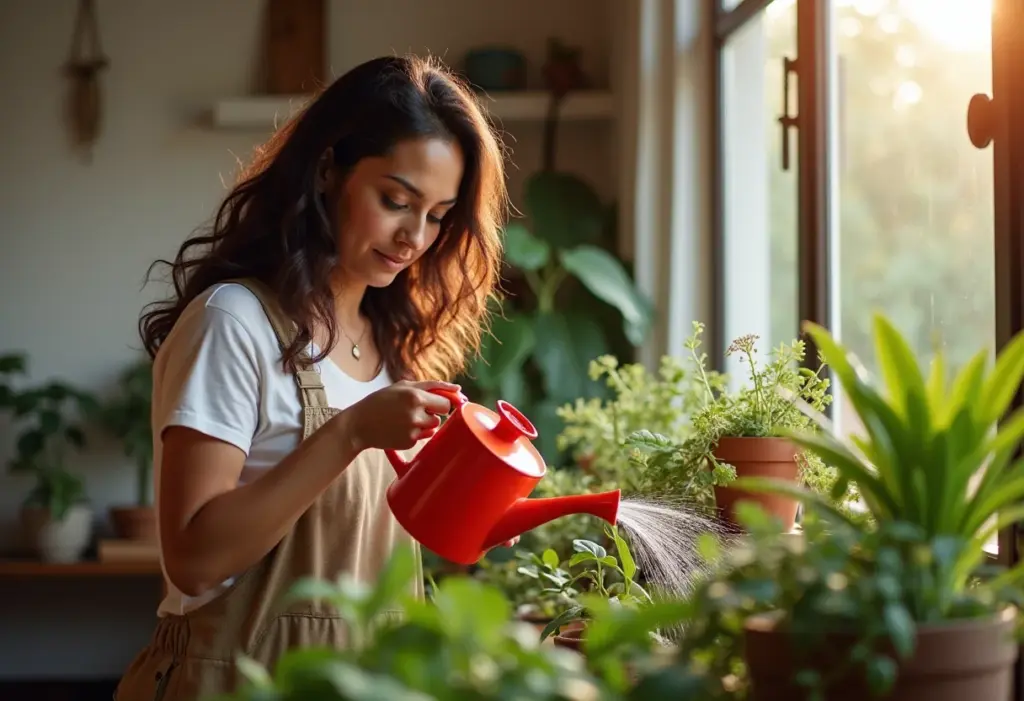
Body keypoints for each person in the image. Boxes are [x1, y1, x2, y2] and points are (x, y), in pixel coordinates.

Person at [114, 54, 516, 700]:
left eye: (439, 215)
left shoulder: (393, 348)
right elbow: (194, 558)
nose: (415, 236)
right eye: (395, 200)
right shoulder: (234, 323)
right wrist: (350, 432)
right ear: (328, 168)